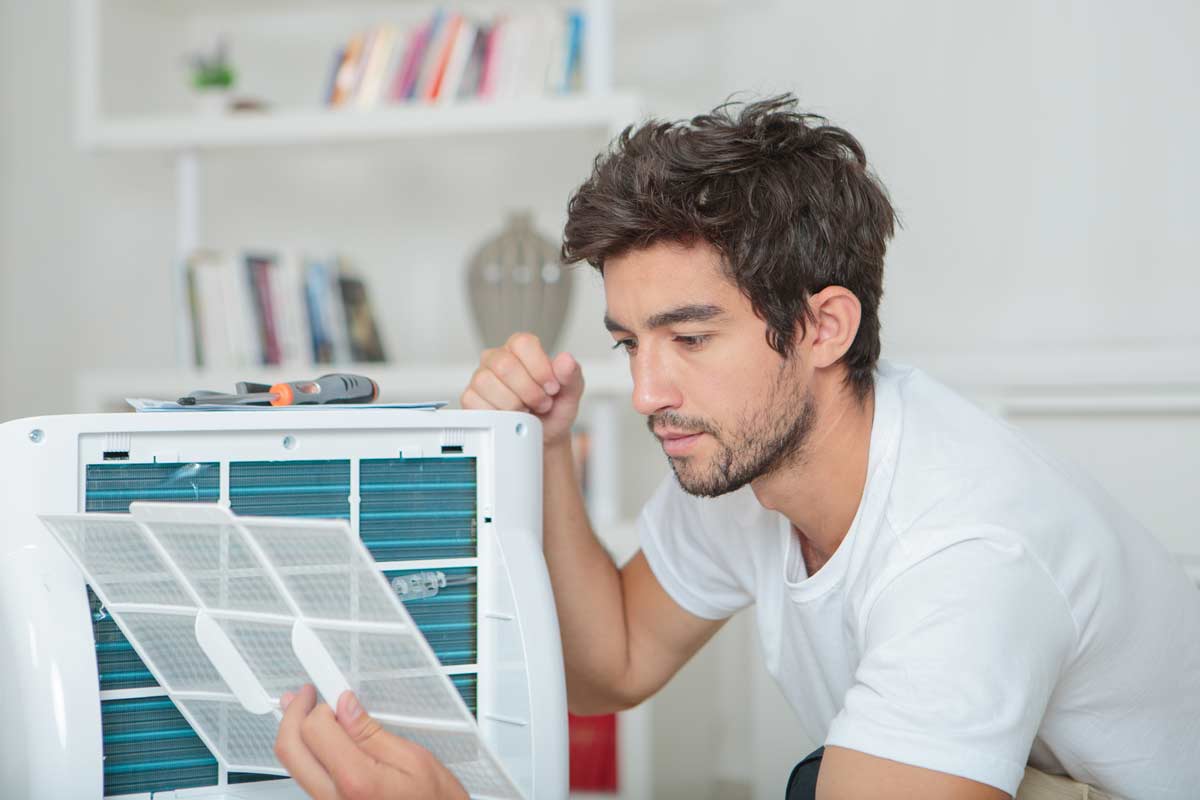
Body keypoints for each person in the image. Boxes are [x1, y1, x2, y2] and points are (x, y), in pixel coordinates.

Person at [274, 95, 1200, 799]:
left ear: (823, 326)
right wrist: (545, 451)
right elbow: (614, 666)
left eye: (692, 337)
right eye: (630, 343)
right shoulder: (749, 462)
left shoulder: (962, 554)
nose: (646, 393)